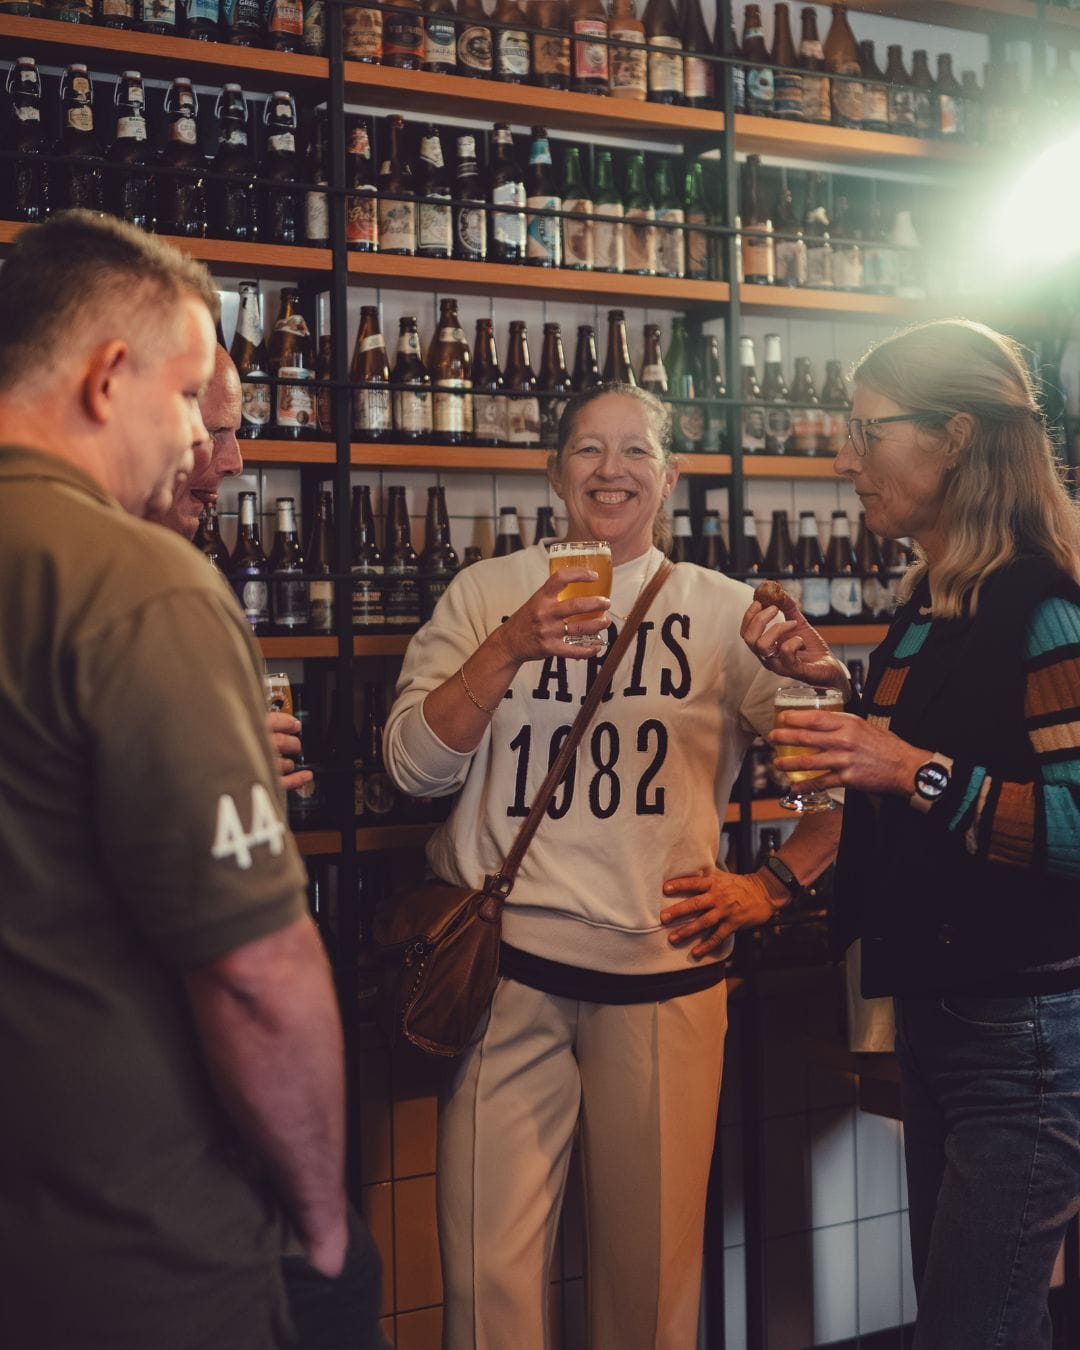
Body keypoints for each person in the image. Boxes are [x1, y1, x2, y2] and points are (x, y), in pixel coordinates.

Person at [383, 383, 843, 1350]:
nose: (611, 469)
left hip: (666, 976)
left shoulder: (722, 612)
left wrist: (768, 885)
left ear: (667, 477)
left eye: (635, 451)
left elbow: (835, 786)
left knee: (650, 1291)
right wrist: (509, 646)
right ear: (554, 475)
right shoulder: (483, 593)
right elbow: (414, 769)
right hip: (501, 980)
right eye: (588, 451)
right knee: (484, 1288)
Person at [0, 210, 347, 1350]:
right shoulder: (131, 576)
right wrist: (320, 1213)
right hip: (132, 1243)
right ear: (109, 378)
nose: (203, 442)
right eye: (190, 397)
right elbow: (255, 970)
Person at [743, 319, 1080, 1350]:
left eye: (868, 432)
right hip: (944, 1014)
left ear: (957, 438)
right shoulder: (931, 606)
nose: (846, 459)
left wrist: (904, 767)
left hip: (1020, 1030)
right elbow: (921, 741)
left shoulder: (1045, 608)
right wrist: (833, 692)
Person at [150, 341, 387, 1350]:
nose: (239, 459)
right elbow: (249, 963)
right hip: (186, 1131)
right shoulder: (141, 598)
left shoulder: (153, 578)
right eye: (219, 428)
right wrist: (322, 1213)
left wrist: (238, 769)